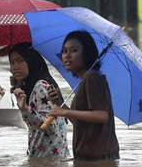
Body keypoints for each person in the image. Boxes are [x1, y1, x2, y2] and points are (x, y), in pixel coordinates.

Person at [48, 31, 120, 160]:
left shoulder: (92, 78)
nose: (67, 56)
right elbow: (79, 122)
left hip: (98, 160)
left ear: (86, 54)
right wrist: (59, 102)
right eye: (64, 51)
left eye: (74, 50)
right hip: (87, 158)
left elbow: (102, 116)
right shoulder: (84, 80)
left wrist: (64, 112)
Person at [9, 43, 69, 158]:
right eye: (12, 62)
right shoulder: (32, 86)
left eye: (20, 61)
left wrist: (25, 109)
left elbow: (50, 127)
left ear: (31, 61)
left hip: (48, 164)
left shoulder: (41, 87)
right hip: (49, 160)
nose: (15, 67)